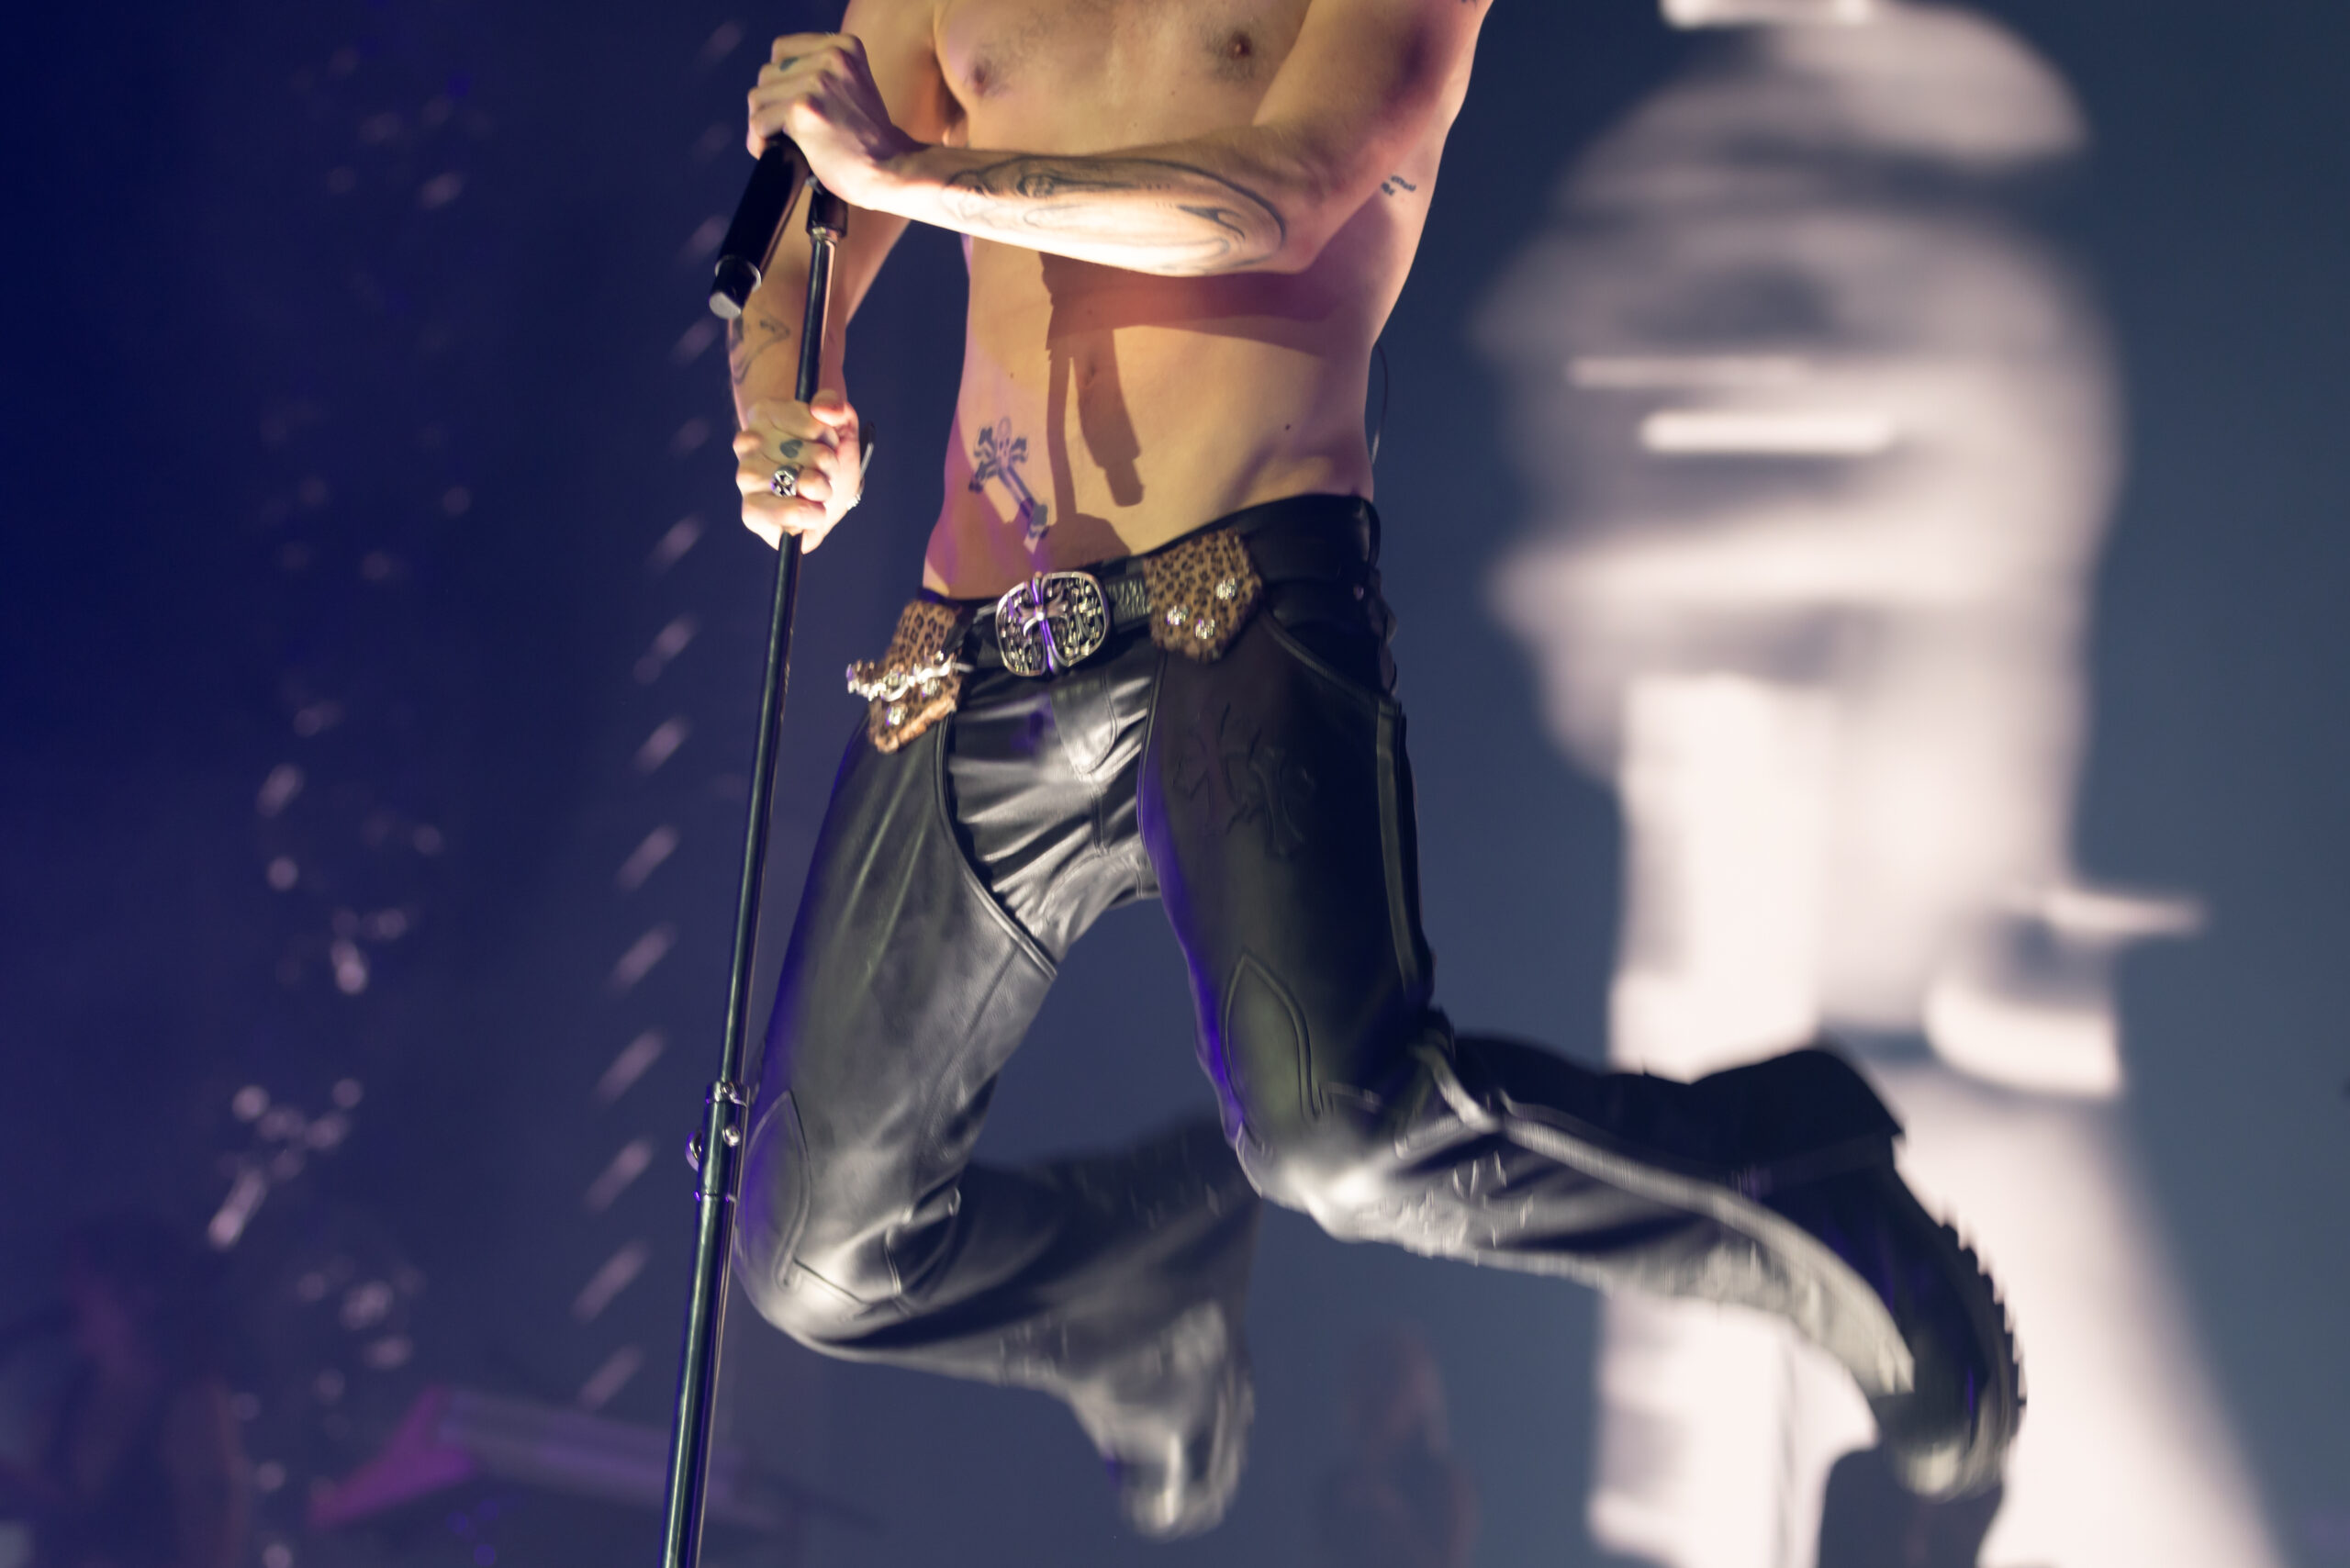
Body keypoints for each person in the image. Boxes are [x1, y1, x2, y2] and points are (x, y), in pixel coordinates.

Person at [719, 0, 2020, 1539]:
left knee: (1336, 1134)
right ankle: (1137, 1304)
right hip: (969, 645)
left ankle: (1797, 1192)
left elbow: (1270, 201)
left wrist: (905, 176)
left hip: (1239, 596)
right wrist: (784, 400)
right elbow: (804, 226)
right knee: (811, 1255)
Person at [0, 1218, 249, 1568]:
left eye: (87, 1278)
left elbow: (211, 1547)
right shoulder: (63, 1408)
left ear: (139, 1294)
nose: (71, 1291)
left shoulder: (193, 1407)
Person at [1316, 1327, 1476, 1568]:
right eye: (1366, 1384)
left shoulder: (1444, 1488)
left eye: (1388, 1385)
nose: (1375, 1401)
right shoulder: (1337, 1490)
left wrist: (1390, 1520)